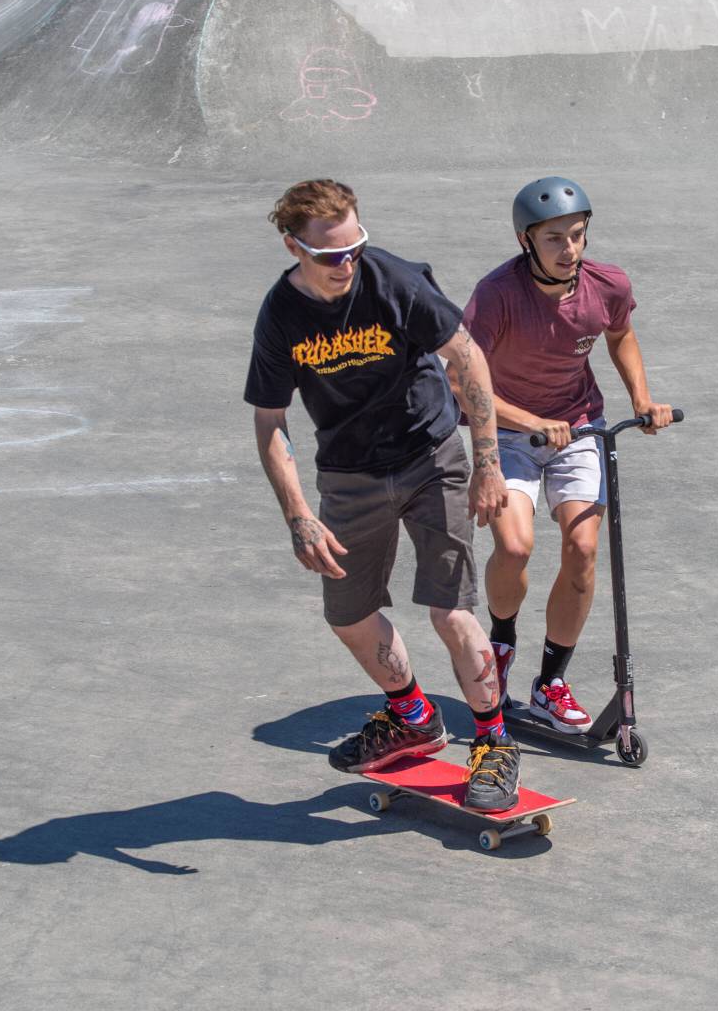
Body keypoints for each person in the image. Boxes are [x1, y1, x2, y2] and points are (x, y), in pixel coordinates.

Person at [244, 179, 521, 810]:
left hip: (432, 457)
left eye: (354, 247)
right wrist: (299, 517)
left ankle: (494, 743)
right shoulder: (281, 314)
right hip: (350, 474)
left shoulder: (394, 281)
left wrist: (487, 463)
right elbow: (270, 420)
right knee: (346, 612)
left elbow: (468, 358)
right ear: (293, 246)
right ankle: (413, 716)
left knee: (451, 609)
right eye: (329, 255)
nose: (346, 264)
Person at [454, 176, 673, 732]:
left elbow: (619, 333)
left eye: (577, 235)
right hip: (506, 432)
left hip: (579, 428)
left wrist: (642, 400)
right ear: (526, 240)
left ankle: (550, 682)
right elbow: (464, 382)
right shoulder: (497, 294)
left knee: (582, 550)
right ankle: (500, 645)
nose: (569, 248)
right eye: (554, 238)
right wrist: (530, 422)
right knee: (515, 546)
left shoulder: (607, 284)